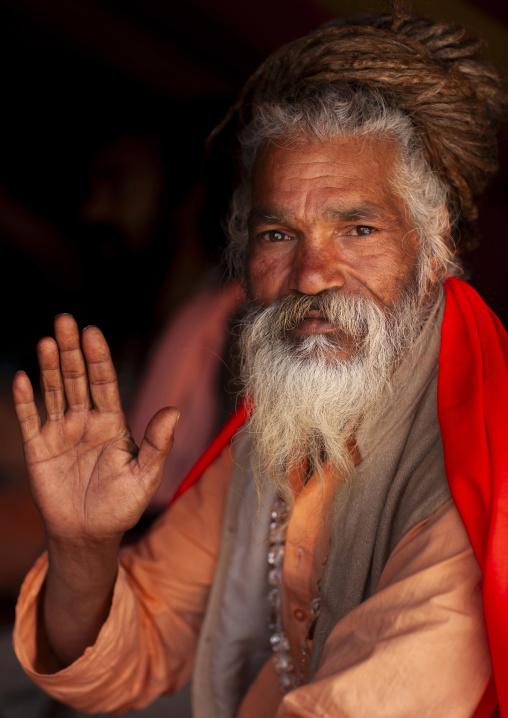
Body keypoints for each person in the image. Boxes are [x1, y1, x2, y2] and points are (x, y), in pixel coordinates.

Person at [11, 6, 508, 717]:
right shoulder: (279, 427)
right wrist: (84, 546)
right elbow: (128, 657)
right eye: (279, 233)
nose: (310, 274)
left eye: (357, 228)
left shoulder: (488, 460)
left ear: (434, 251)